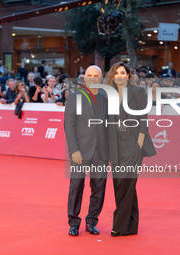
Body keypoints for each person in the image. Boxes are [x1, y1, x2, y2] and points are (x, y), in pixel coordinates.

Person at [106, 62, 156, 237]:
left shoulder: (137, 92)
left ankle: (118, 225)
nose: (120, 75)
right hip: (115, 146)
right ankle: (131, 225)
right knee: (122, 185)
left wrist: (139, 145)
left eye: (123, 73)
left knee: (126, 183)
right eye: (116, 73)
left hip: (133, 144)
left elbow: (143, 120)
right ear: (113, 76)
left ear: (128, 75)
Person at [65, 65, 109, 236]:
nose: (92, 78)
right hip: (80, 151)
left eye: (95, 75)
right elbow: (69, 126)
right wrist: (74, 149)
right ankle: (73, 222)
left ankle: (92, 221)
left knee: (99, 187)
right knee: (76, 186)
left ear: (101, 78)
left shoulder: (106, 98)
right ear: (84, 78)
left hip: (101, 152)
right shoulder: (75, 97)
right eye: (89, 75)